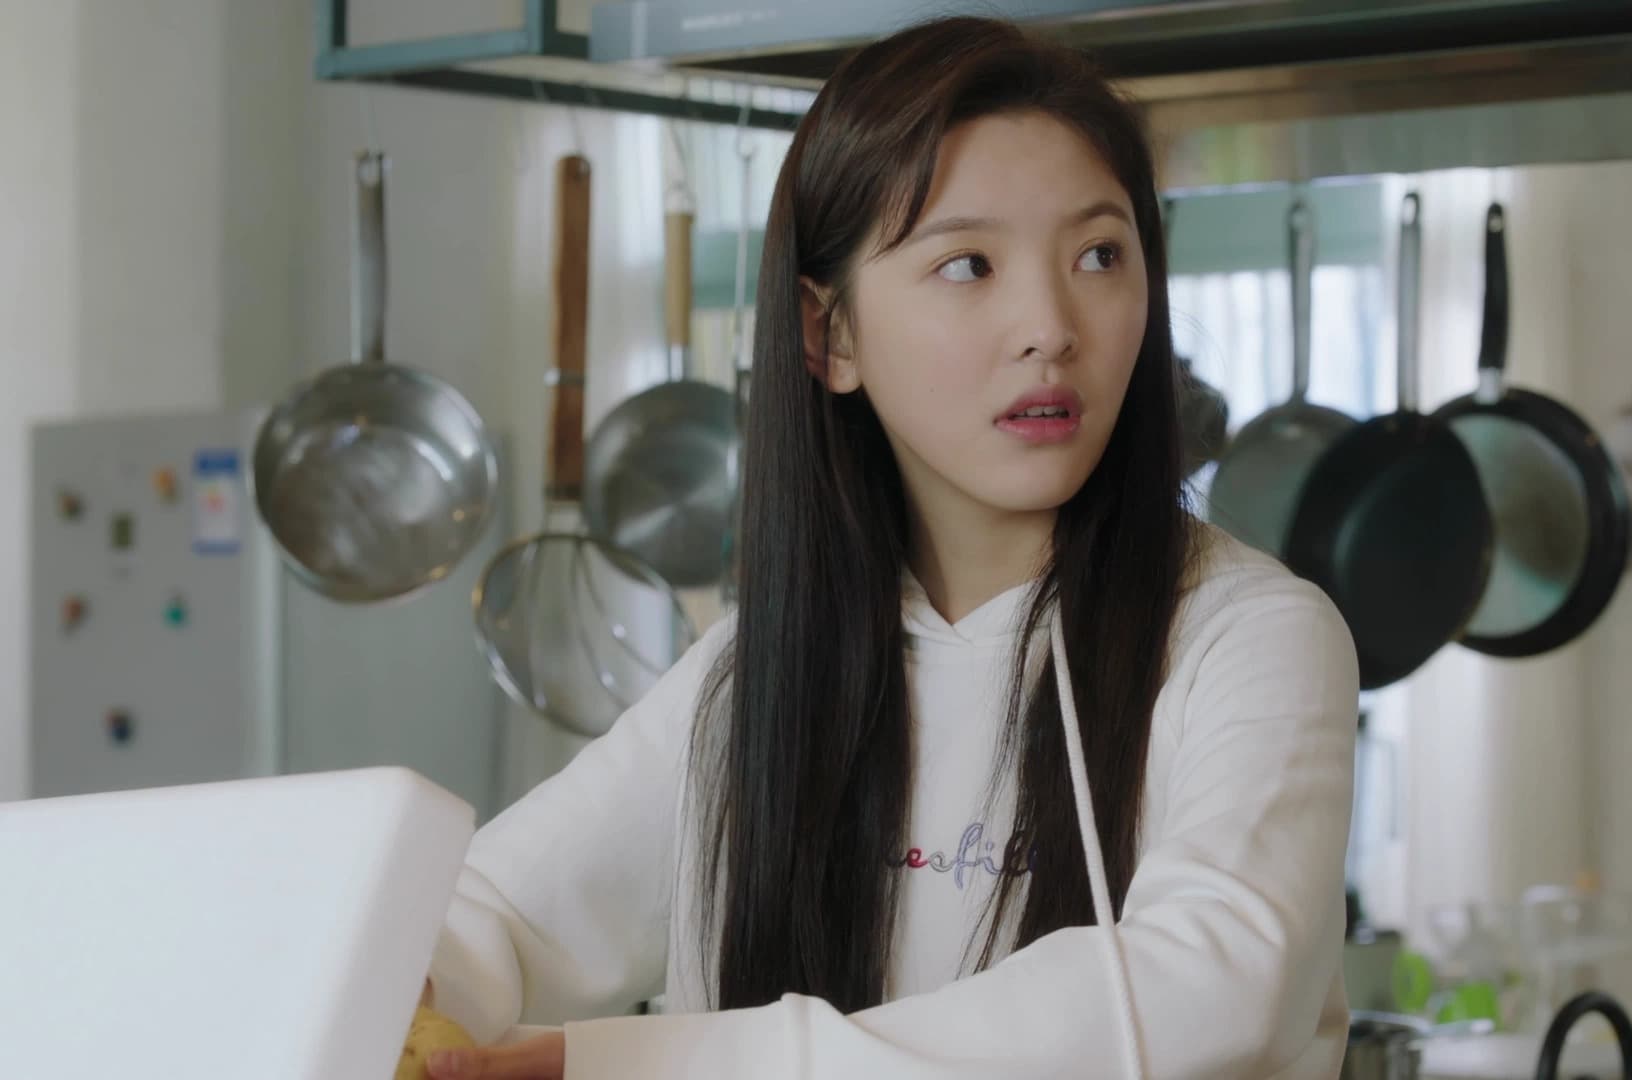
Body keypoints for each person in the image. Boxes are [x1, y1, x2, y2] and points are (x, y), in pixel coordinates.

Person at [419, 14, 1359, 1080]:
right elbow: (494, 913)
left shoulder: (1249, 638)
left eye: (1100, 254)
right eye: (969, 264)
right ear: (829, 335)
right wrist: (404, 984)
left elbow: (1214, 992)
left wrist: (637, 1064)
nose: (1051, 325)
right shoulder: (753, 675)